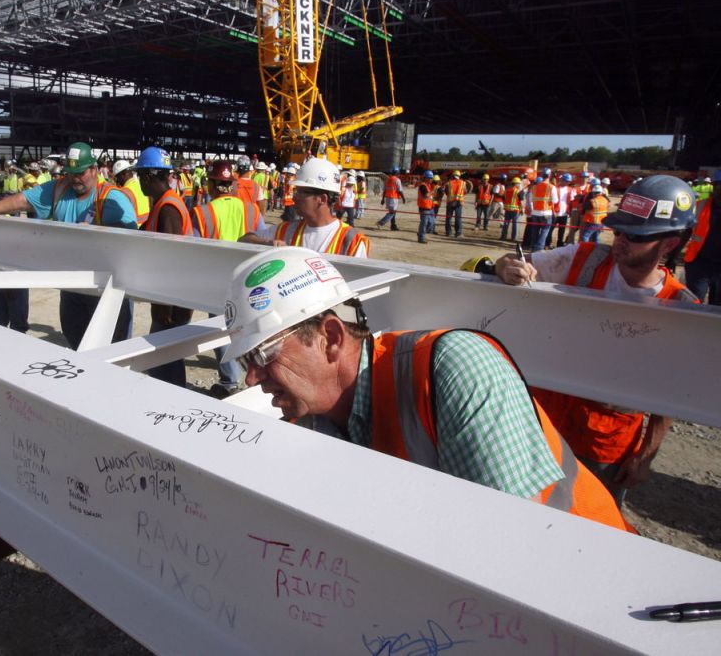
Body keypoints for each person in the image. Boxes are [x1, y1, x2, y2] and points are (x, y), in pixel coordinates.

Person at [222, 246, 630, 531]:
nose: (252, 378)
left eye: (261, 355)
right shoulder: (314, 417)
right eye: (245, 363)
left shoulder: (454, 369)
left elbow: (515, 547)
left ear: (330, 337)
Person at [494, 175, 699, 504]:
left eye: (634, 235)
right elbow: (509, 261)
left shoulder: (683, 307)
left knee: (592, 521)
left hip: (605, 443)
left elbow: (672, 391)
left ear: (670, 243)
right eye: (618, 230)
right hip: (542, 424)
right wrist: (506, 268)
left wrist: (646, 456)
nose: (619, 240)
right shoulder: (585, 258)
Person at [0, 142, 138, 350]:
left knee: (111, 347)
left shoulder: (110, 197)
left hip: (106, 290)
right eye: (71, 173)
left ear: (94, 169)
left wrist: (99, 233)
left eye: (80, 173)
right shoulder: (59, 189)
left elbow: (132, 239)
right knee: (75, 336)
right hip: (72, 286)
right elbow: (24, 200)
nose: (75, 179)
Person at [192, 159, 268, 398]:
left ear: (212, 185)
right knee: (250, 327)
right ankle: (256, 379)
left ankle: (229, 382)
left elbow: (192, 249)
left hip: (216, 281)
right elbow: (262, 240)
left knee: (221, 331)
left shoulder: (202, 212)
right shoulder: (251, 210)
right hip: (249, 280)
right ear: (232, 185)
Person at [133, 146, 194, 387]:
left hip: (171, 301)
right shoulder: (164, 203)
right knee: (166, 360)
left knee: (163, 363)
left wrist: (165, 307)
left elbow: (172, 259)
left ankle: (173, 407)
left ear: (148, 176)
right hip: (172, 297)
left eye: (140, 176)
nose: (139, 182)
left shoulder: (168, 208)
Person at [246, 158, 370, 257]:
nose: (295, 198)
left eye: (302, 192)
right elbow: (244, 240)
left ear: (322, 199)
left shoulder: (352, 242)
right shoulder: (285, 230)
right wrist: (267, 243)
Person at [683, 176, 720, 304]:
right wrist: (671, 257)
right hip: (698, 263)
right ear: (714, 186)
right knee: (693, 302)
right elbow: (685, 232)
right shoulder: (699, 205)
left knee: (717, 308)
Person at [523, 173, 557, 252]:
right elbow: (555, 200)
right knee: (545, 230)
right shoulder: (551, 187)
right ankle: (539, 248)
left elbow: (531, 200)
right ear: (549, 176)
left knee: (535, 230)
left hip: (535, 213)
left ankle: (533, 247)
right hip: (546, 212)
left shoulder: (534, 187)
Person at [580, 179, 610, 243]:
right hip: (602, 223)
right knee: (595, 237)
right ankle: (596, 249)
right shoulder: (605, 200)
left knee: (585, 236)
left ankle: (586, 249)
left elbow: (584, 207)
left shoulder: (592, 201)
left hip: (593, 222)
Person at [444, 170, 467, 237]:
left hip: (450, 202)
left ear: (453, 176)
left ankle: (448, 232)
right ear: (459, 176)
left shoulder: (449, 183)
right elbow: (465, 191)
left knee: (449, 217)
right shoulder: (463, 183)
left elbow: (446, 192)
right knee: (458, 218)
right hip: (459, 203)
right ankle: (458, 233)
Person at [499, 176, 523, 242]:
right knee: (515, 224)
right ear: (516, 184)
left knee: (506, 223)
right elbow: (521, 201)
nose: (519, 185)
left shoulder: (507, 190)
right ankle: (514, 238)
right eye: (519, 184)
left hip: (507, 209)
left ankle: (503, 236)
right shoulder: (518, 191)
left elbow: (503, 198)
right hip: (515, 210)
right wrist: (522, 209)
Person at [416, 170, 437, 244]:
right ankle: (421, 237)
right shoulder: (423, 186)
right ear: (425, 178)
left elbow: (430, 196)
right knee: (424, 223)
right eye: (429, 178)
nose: (431, 180)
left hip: (430, 207)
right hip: (424, 208)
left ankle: (421, 233)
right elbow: (426, 195)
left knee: (431, 223)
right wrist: (432, 192)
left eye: (431, 178)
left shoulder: (428, 186)